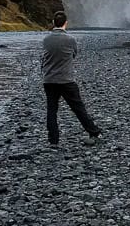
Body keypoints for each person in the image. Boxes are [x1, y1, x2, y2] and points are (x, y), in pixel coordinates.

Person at [41, 11, 101, 147]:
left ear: (53, 23)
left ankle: (53, 140)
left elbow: (45, 56)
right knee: (78, 108)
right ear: (65, 23)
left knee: (51, 110)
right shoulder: (70, 39)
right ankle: (94, 132)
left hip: (49, 80)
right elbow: (74, 54)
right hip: (66, 80)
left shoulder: (46, 39)